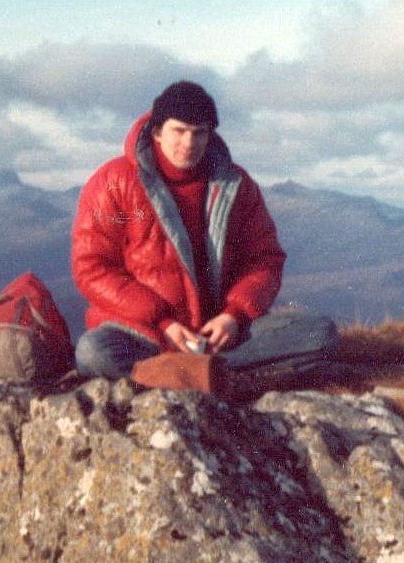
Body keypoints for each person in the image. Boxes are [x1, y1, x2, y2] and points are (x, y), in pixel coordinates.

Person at [71, 81, 336, 390]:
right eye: (179, 130)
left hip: (219, 334)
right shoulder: (113, 182)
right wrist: (162, 321)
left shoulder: (236, 184)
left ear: (211, 134)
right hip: (147, 332)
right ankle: (224, 378)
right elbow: (92, 267)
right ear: (157, 131)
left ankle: (181, 376)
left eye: (200, 132)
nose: (189, 142)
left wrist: (234, 316)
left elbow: (264, 259)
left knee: (319, 332)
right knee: (93, 352)